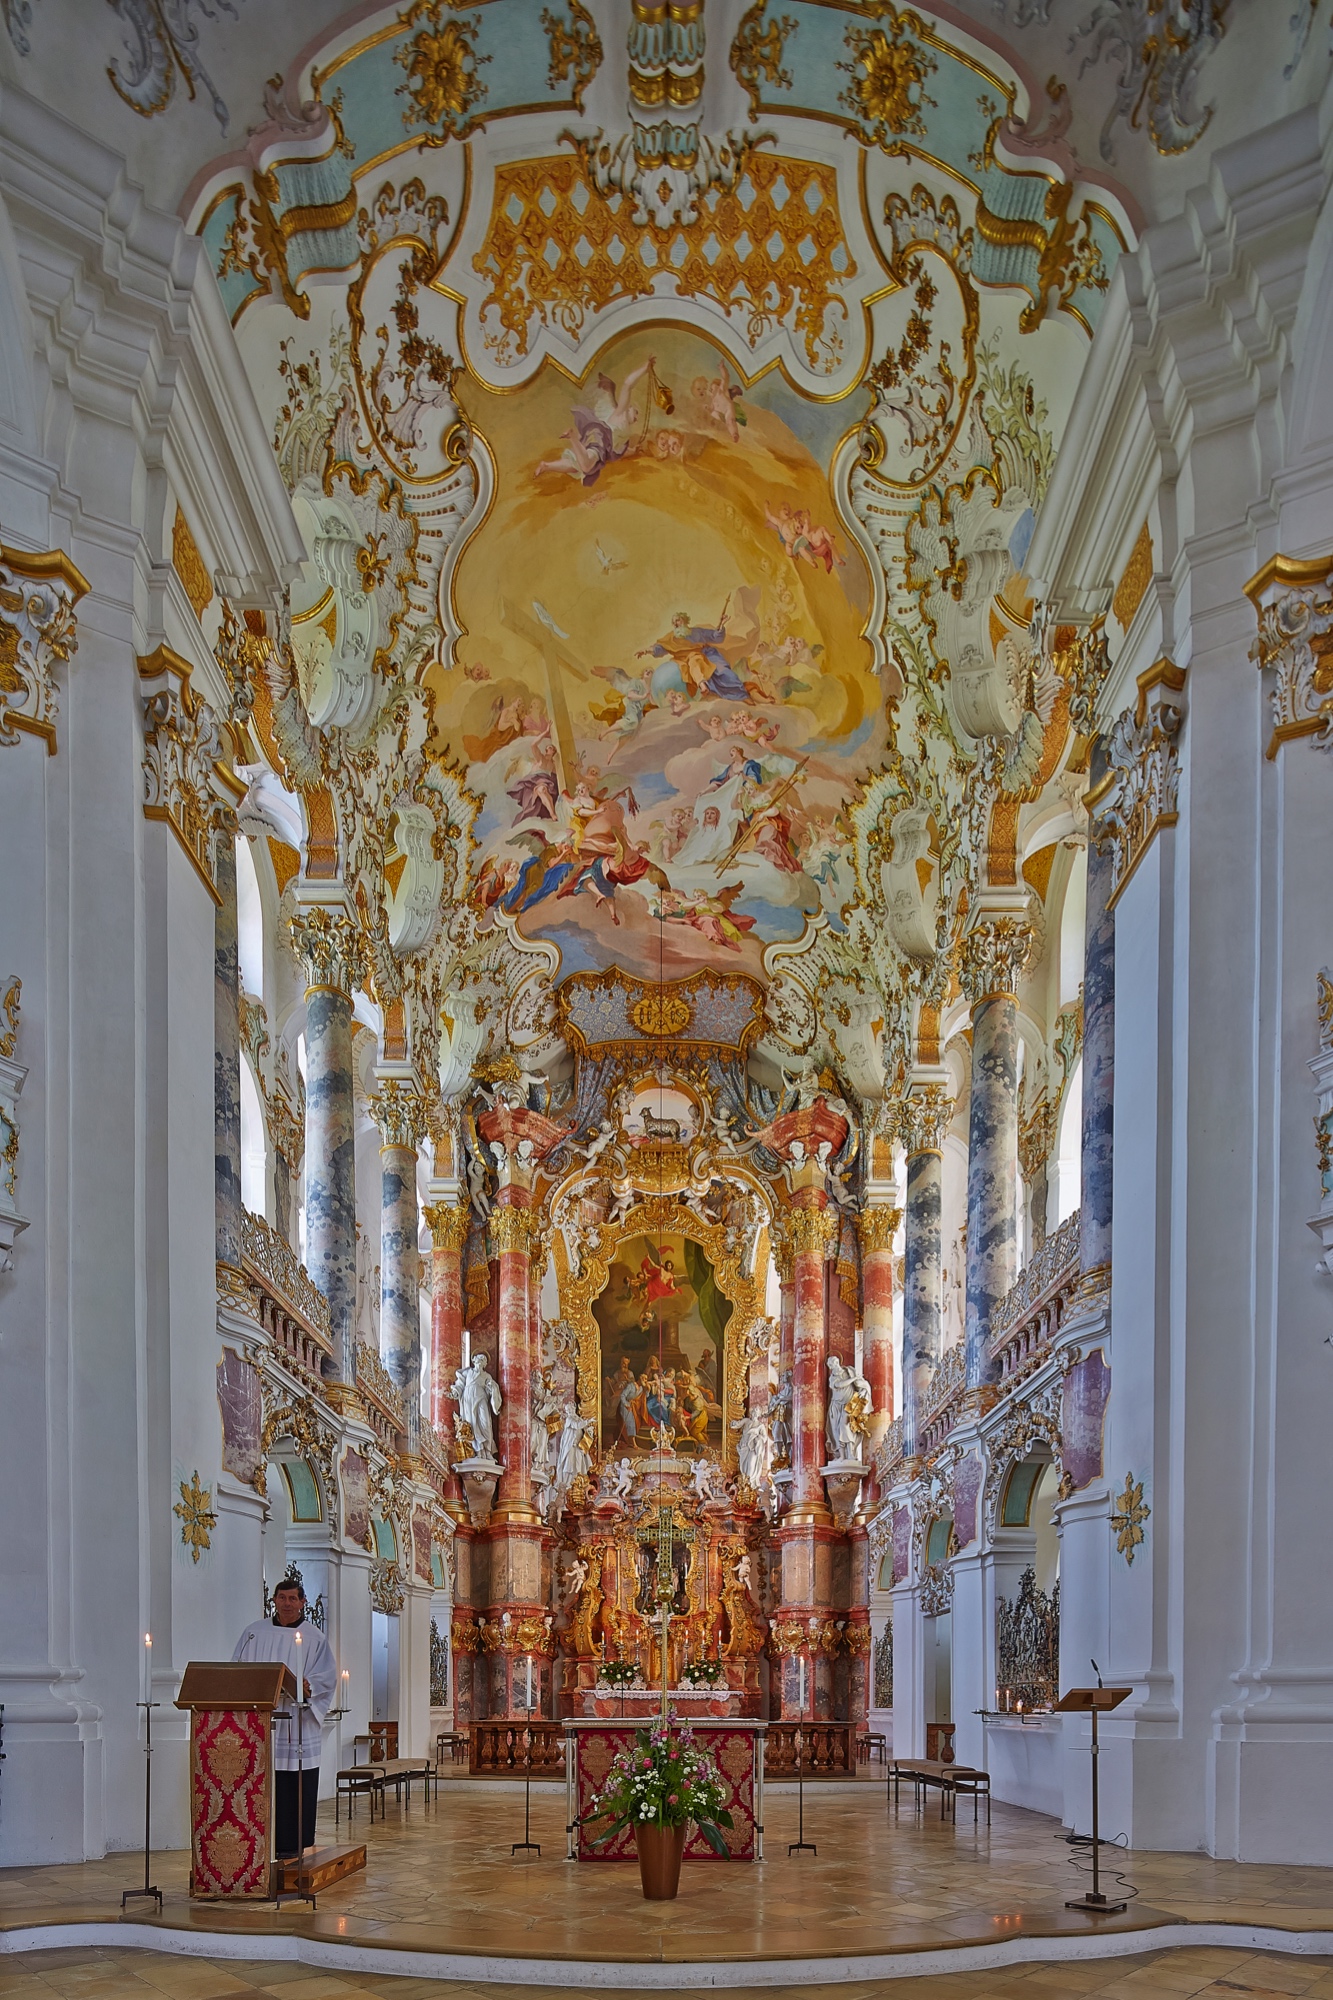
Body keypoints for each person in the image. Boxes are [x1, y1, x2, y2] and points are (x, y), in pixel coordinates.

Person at [233, 1568, 338, 1860]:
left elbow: (327, 1676)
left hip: (296, 1721)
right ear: (274, 1600)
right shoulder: (255, 1633)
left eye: (293, 1598)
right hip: (261, 1718)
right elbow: (238, 1667)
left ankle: (294, 1843)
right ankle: (256, 1842)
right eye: (282, 1598)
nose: (287, 1603)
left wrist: (309, 1685)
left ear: (303, 1602)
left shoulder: (314, 1637)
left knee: (294, 1782)